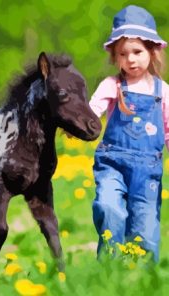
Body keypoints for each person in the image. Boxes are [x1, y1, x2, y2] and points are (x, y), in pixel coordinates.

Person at [89, 5, 169, 261]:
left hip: (148, 173)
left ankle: (142, 281)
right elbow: (91, 114)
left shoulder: (163, 91)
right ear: (115, 56)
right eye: (123, 53)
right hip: (112, 164)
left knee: (144, 231)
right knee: (108, 207)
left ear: (153, 51)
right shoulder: (112, 85)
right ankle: (110, 270)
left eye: (137, 51)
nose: (130, 59)